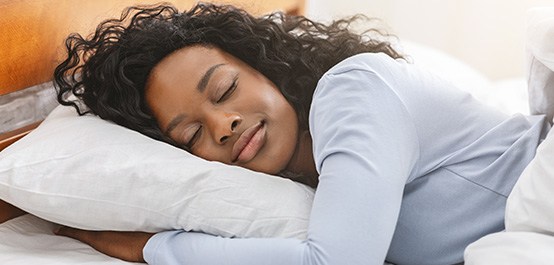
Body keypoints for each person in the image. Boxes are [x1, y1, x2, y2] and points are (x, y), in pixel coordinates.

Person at [48, 2, 550, 265]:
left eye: (224, 90)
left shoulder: (354, 90)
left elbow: (336, 262)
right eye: (191, 135)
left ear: (270, 68)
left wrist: (150, 247)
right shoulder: (304, 183)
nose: (224, 126)